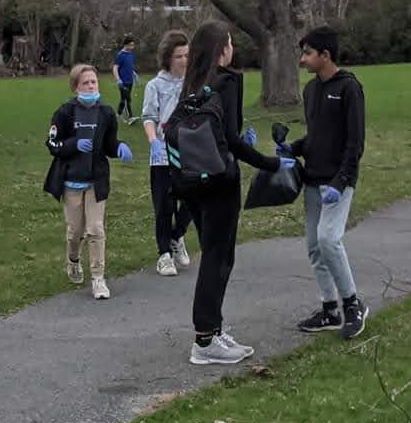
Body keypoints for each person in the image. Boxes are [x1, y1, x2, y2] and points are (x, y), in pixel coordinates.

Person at [171, 20, 281, 365]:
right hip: (220, 182)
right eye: (230, 43)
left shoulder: (191, 83)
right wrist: (269, 163)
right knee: (219, 259)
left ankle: (214, 329)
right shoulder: (228, 82)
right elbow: (231, 140)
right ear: (222, 50)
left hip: (190, 181)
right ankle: (205, 339)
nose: (233, 48)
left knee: (211, 254)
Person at [286, 27, 369, 340]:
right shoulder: (310, 90)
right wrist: (292, 148)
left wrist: (342, 180)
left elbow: (355, 142)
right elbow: (316, 137)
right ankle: (330, 310)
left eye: (308, 53)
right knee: (315, 247)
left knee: (328, 240)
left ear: (326, 55)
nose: (302, 59)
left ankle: (353, 305)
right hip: (312, 180)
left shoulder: (349, 88)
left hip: (338, 182)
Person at [44, 62, 133, 299]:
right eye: (86, 83)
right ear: (76, 87)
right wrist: (74, 144)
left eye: (94, 82)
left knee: (95, 229)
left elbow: (109, 145)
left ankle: (98, 278)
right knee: (76, 232)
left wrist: (119, 147)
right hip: (71, 181)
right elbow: (52, 144)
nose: (91, 86)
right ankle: (73, 260)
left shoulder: (106, 113)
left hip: (96, 181)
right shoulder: (64, 113)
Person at [140, 30, 196, 277]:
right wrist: (153, 141)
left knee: (194, 199)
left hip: (190, 151)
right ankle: (164, 255)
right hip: (163, 151)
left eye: (187, 55)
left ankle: (177, 235)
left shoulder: (194, 83)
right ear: (167, 58)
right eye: (178, 56)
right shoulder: (155, 86)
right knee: (164, 204)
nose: (184, 60)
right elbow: (149, 117)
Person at [113, 37, 138, 120]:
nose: (132, 47)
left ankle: (118, 114)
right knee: (127, 99)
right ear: (125, 45)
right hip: (123, 82)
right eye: (130, 45)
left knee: (124, 99)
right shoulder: (120, 55)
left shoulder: (131, 54)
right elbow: (115, 68)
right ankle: (130, 117)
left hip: (130, 81)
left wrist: (134, 74)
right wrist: (118, 80)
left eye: (133, 45)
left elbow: (129, 66)